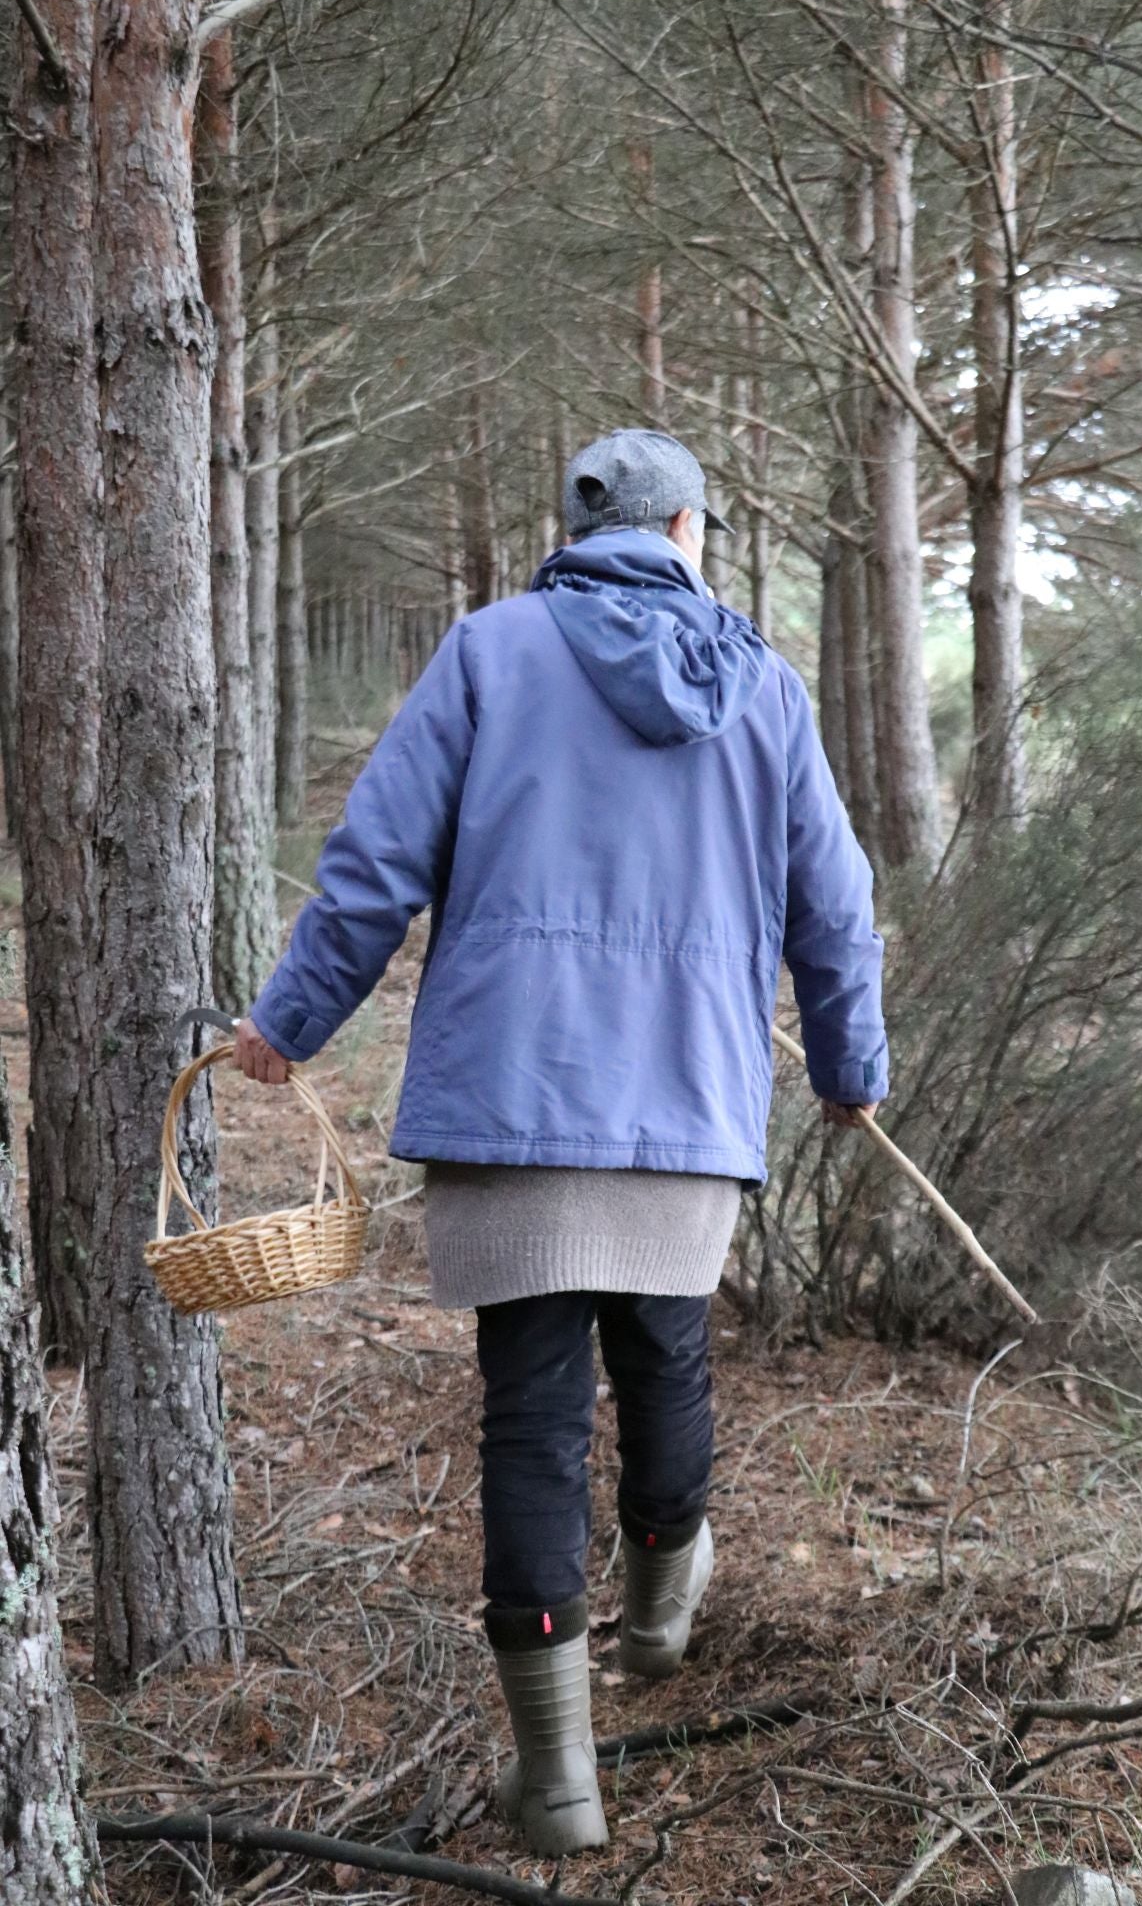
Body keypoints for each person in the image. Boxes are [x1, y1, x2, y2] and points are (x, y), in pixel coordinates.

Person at [235, 428, 888, 1855]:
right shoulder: (762, 686)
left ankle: (559, 1777)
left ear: (584, 528)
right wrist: (850, 1071)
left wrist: (290, 1024)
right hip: (683, 1102)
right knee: (665, 1361)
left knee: (531, 1419)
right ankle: (659, 1619)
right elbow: (834, 907)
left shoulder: (489, 652)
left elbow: (375, 866)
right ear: (687, 532)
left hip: (512, 1095)